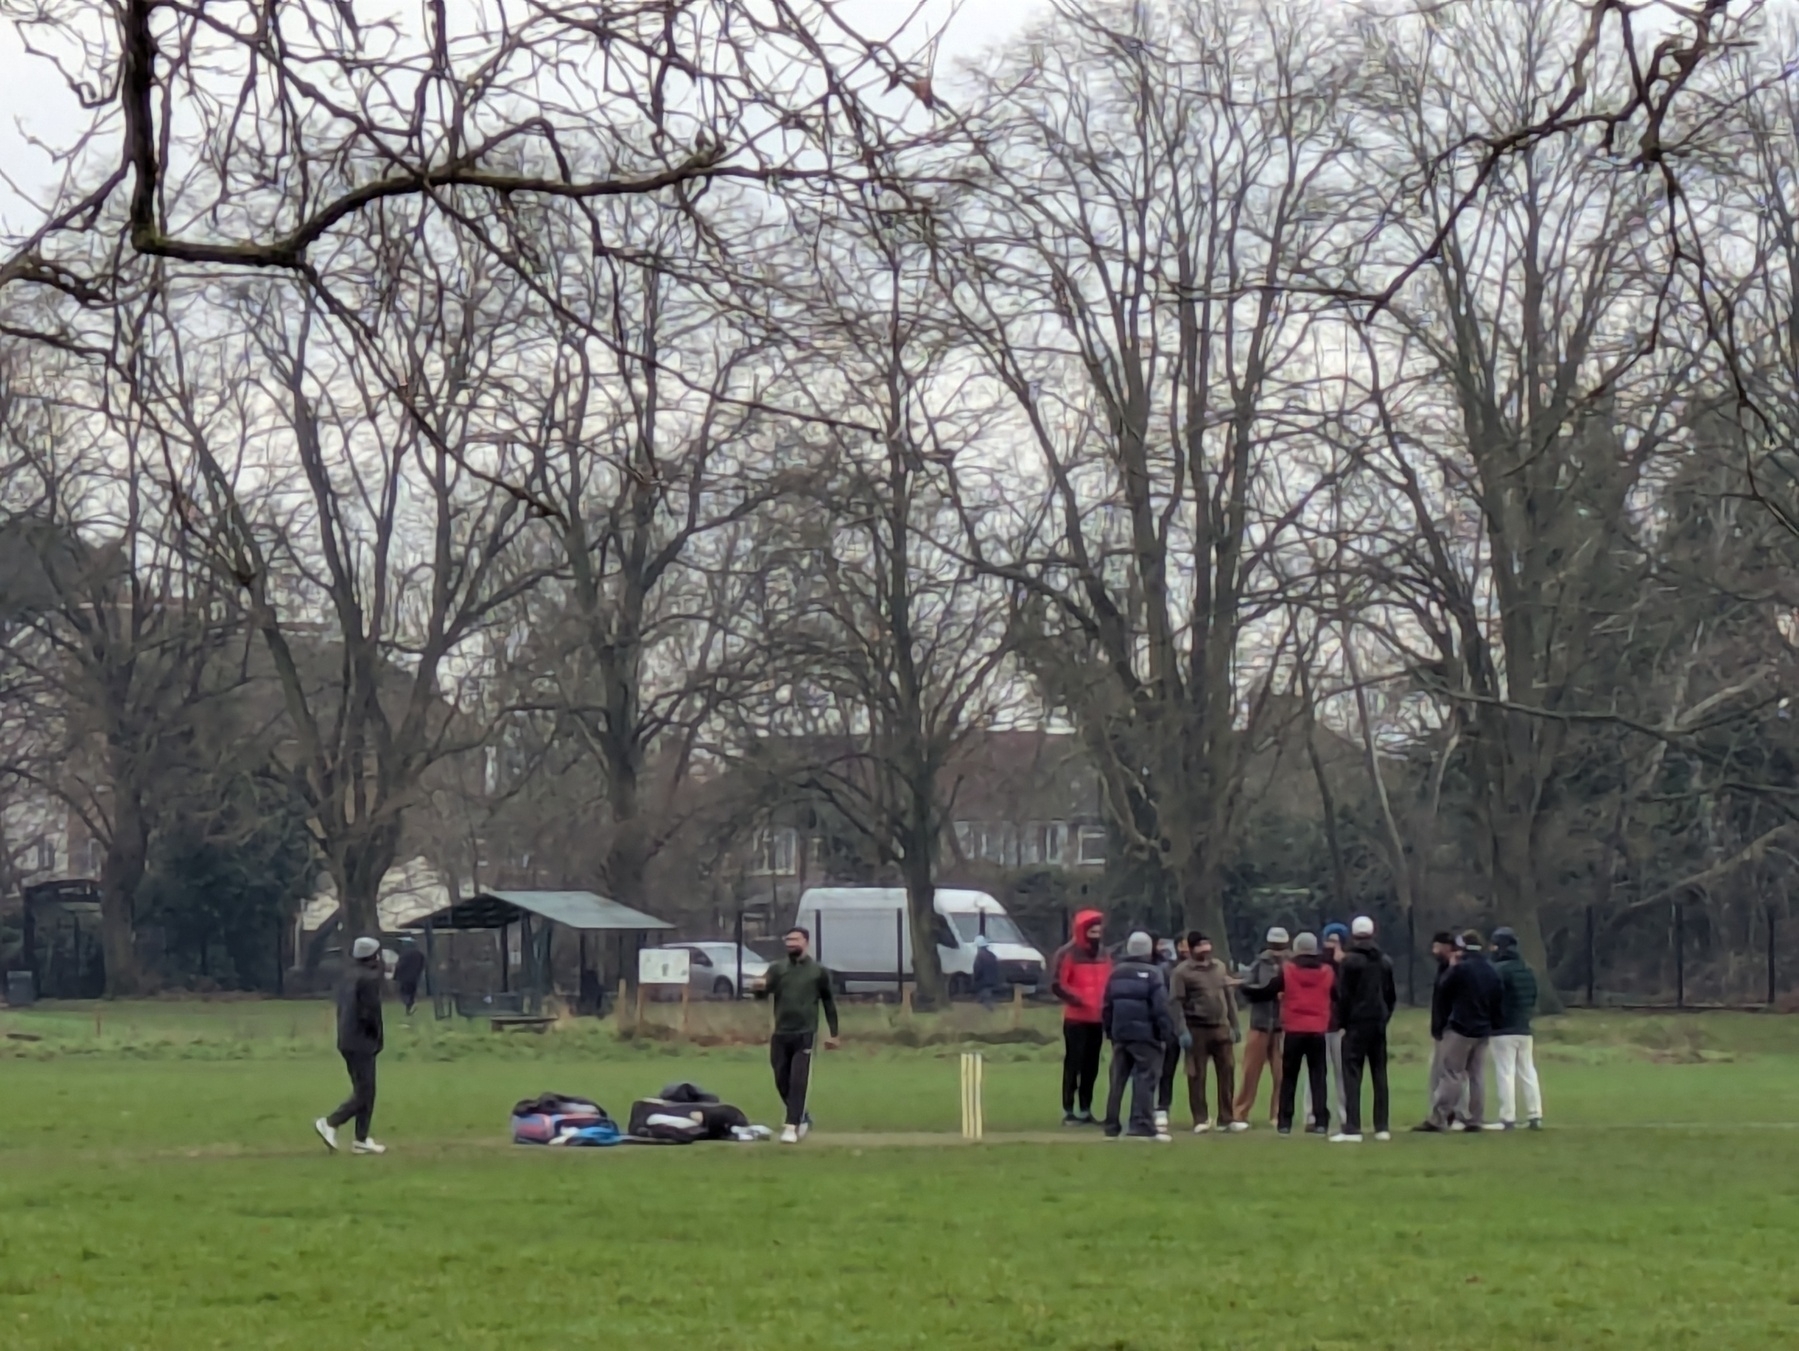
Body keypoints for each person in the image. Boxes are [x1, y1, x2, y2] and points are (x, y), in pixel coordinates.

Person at [755, 927, 841, 1144]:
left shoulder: (818, 971)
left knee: (798, 1080)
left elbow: (829, 1002)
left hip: (805, 1033)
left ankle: (791, 1126)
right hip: (781, 1032)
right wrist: (757, 988)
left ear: (806, 942)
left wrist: (834, 1034)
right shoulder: (777, 968)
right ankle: (802, 1117)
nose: (791, 943)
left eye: (795, 940)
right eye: (788, 940)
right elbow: (762, 994)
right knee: (781, 1079)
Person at [1417, 929, 1503, 1133]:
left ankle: (1440, 1117)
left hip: (1460, 1028)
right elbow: (1498, 999)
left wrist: (1452, 967)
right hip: (1482, 1030)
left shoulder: (1460, 969)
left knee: (1451, 1073)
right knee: (1477, 1076)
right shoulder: (1491, 970)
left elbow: (1443, 988)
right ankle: (1475, 1119)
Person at [315, 935, 387, 1155]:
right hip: (362, 1041)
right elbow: (370, 1013)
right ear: (373, 955)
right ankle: (330, 1123)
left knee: (365, 1090)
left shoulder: (348, 977)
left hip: (346, 1038)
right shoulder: (369, 979)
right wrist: (377, 1036)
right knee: (365, 1092)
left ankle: (361, 1140)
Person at [1100, 931, 1176, 1141]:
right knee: (1145, 1078)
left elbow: (1107, 1006)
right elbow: (1160, 1007)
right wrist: (1165, 1033)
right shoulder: (1153, 974)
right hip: (1146, 1035)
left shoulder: (1115, 973)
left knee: (1118, 1079)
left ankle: (1111, 1126)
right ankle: (1141, 1124)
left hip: (1121, 1034)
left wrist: (1110, 1031)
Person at [1332, 915, 1397, 1142]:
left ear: (1353, 935)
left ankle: (1352, 1127)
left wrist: (1341, 1023)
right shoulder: (1385, 961)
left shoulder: (1349, 962)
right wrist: (1384, 1017)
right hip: (1378, 1023)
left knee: (1352, 1073)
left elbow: (1343, 996)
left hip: (1356, 1023)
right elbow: (1391, 996)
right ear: (1373, 933)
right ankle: (1382, 1126)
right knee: (1379, 1073)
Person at [1169, 930, 1240, 1133]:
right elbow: (1175, 1003)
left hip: (1220, 1027)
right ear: (1191, 949)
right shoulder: (1182, 972)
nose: (1205, 949)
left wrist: (1234, 1025)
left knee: (1227, 1070)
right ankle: (1200, 1118)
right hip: (1196, 1028)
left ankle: (1227, 1118)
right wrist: (1182, 1030)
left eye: (1207, 944)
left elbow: (1229, 997)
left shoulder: (1219, 967)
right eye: (1200, 946)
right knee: (1196, 1075)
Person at [1051, 909, 1111, 1126]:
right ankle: (1069, 1109)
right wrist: (1078, 1000)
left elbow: (1109, 981)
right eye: (1092, 931)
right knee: (1073, 1064)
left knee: (1091, 1066)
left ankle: (1085, 1109)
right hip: (1076, 1019)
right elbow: (1057, 984)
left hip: (1098, 1018)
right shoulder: (1067, 954)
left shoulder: (1104, 954)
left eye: (1099, 930)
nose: (1097, 934)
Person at [1275, 932, 1335, 1136]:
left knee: (1289, 1077)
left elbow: (1268, 989)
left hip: (1293, 1029)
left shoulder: (1288, 970)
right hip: (1318, 1029)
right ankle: (1320, 1121)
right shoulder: (1327, 971)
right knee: (1318, 1077)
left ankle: (1284, 1122)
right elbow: (1337, 995)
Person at [1232, 926, 1290, 1129]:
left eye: (1281, 945)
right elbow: (1248, 987)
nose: (1277, 949)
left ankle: (1278, 1114)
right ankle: (1239, 1113)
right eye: (1275, 945)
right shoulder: (1260, 963)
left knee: (1282, 1074)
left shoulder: (1290, 964)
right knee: (1250, 1072)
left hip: (1282, 1026)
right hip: (1260, 1024)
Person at [1488, 927, 1543, 1131]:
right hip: (1524, 1027)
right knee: (1528, 1071)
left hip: (1503, 1028)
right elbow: (1533, 996)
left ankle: (1507, 1116)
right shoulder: (1527, 969)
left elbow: (1494, 997)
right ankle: (1535, 1114)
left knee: (1506, 1072)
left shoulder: (1498, 970)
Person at [1320, 922, 1351, 1133]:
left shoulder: (1349, 964)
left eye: (1335, 941)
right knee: (1317, 1072)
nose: (1331, 945)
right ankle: (1314, 1114)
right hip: (1320, 1024)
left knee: (1341, 1073)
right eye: (1328, 940)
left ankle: (1345, 1114)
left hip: (1339, 1025)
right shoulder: (1320, 965)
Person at [1152, 935, 1183, 1135]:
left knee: (1169, 1070)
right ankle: (1152, 1108)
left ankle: (1163, 1106)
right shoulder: (1166, 969)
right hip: (1162, 1025)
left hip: (1183, 1025)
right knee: (1157, 1069)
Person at [393, 938, 426, 1015]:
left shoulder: (404, 954)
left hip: (404, 977)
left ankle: (409, 1004)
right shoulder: (419, 954)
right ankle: (409, 1009)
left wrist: (395, 976)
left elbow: (399, 965)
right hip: (415, 977)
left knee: (404, 993)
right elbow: (422, 964)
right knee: (411, 993)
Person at [971, 936, 1004, 1010]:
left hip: (983, 983)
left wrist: (974, 980)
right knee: (987, 1000)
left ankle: (991, 1012)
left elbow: (977, 970)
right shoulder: (992, 955)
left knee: (986, 1002)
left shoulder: (980, 956)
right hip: (994, 981)